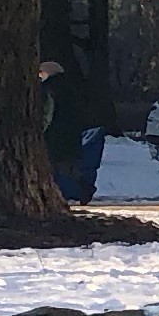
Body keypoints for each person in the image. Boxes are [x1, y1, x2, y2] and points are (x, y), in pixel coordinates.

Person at [37, 59, 106, 207]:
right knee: (69, 167)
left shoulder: (48, 89)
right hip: (71, 135)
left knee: (53, 167)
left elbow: (48, 114)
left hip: (55, 136)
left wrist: (41, 130)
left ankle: (57, 195)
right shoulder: (70, 88)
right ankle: (84, 189)